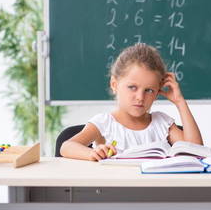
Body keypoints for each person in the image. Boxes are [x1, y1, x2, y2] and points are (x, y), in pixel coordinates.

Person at [60, 43, 203, 161]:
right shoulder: (105, 123)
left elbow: (196, 151)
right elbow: (66, 147)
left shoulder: (162, 123)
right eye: (132, 87)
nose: (140, 97)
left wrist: (179, 102)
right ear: (114, 84)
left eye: (149, 90)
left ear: (158, 91)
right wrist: (92, 153)